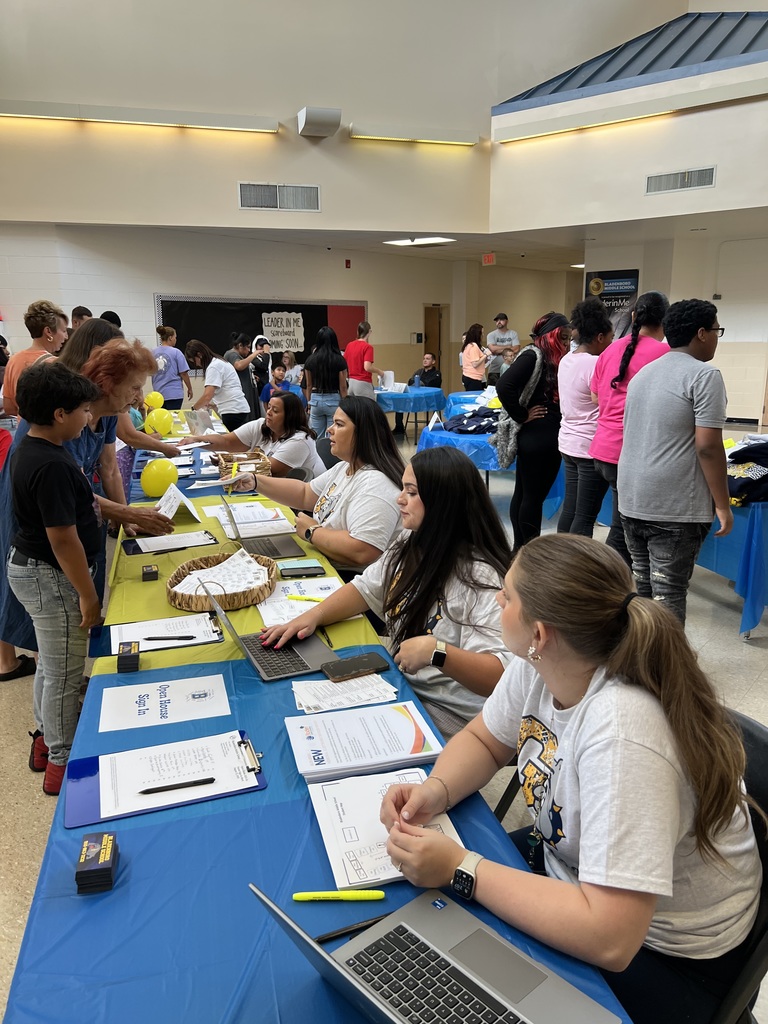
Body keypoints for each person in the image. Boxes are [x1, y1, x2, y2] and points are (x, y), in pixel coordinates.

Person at [381, 534, 762, 1024]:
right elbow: (485, 740)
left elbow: (611, 936)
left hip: (667, 957)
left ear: (539, 633)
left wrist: (463, 868)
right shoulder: (540, 663)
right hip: (576, 873)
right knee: (429, 926)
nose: (499, 598)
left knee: (464, 974)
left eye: (509, 595)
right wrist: (435, 791)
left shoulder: (624, 734)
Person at [260, 447, 512, 737]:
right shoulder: (412, 540)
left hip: (452, 713)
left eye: (412, 493)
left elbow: (502, 674)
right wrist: (313, 616)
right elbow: (367, 588)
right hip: (408, 684)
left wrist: (439, 653)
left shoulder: (482, 577)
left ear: (443, 503)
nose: (399, 499)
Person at [0, 339, 175, 663]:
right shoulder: (59, 428)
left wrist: (127, 520)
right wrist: (126, 513)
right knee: (57, 634)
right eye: (134, 387)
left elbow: (108, 468)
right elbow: (69, 496)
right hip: (48, 531)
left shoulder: (106, 413)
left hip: (74, 522)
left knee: (71, 625)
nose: (139, 396)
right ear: (107, 385)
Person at [7, 361, 104, 795]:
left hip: (30, 568)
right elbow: (63, 539)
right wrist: (87, 595)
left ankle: (46, 741)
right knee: (66, 671)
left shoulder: (32, 446)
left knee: (51, 659)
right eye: (84, 410)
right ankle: (62, 766)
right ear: (61, 414)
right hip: (48, 575)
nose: (89, 418)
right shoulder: (51, 465)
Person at [618, 299, 732, 624]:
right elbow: (708, 447)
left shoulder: (644, 373)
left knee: (643, 594)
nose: (716, 337)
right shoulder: (704, 375)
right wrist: (722, 505)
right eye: (716, 330)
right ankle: (665, 673)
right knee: (668, 596)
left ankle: (640, 666)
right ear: (701, 333)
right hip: (673, 506)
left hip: (631, 498)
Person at [241, 396, 403, 569]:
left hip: (348, 577)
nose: (329, 430)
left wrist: (312, 532)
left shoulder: (375, 484)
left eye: (339, 425)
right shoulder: (345, 467)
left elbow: (363, 550)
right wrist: (255, 481)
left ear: (363, 433)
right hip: (325, 560)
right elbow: (305, 494)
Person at [589, 291, 670, 565]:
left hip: (602, 449)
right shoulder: (664, 354)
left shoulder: (611, 349)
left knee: (622, 525)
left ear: (634, 316)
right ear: (665, 320)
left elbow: (595, 398)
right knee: (624, 531)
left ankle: (611, 581)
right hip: (629, 454)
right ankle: (608, 587)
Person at [497, 311, 569, 552]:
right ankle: (527, 551)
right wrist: (521, 414)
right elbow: (504, 385)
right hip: (539, 435)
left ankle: (520, 549)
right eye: (564, 337)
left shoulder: (547, 356)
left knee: (525, 494)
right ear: (553, 336)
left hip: (538, 435)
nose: (568, 343)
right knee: (532, 497)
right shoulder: (533, 354)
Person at [557, 297, 613, 536]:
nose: (611, 343)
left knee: (570, 508)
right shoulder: (596, 363)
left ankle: (559, 560)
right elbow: (599, 400)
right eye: (610, 338)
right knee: (586, 515)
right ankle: (576, 569)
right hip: (589, 447)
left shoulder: (566, 360)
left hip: (568, 443)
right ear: (599, 337)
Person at [187, 391, 325, 478]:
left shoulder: (300, 440)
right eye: (269, 407)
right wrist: (197, 441)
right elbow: (226, 442)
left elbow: (270, 469)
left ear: (290, 417)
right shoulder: (261, 425)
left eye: (275, 410)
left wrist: (231, 461)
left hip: (304, 500)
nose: (269, 412)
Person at [2, 300, 69, 417]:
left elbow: (9, 408)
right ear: (48, 331)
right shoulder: (55, 365)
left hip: (23, 430)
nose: (66, 336)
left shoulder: (13, 360)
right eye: (63, 331)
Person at [185, 339, 251, 431]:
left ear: (200, 355)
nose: (197, 365)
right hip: (236, 409)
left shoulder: (214, 366)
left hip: (233, 411)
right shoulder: (218, 362)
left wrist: (193, 410)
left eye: (194, 361)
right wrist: (213, 404)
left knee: (229, 442)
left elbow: (207, 396)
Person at [302, 326, 348, 437]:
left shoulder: (310, 360)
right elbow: (343, 387)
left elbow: (308, 385)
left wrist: (309, 405)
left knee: (316, 436)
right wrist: (345, 404)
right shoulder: (339, 360)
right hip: (333, 399)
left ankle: (318, 454)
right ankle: (329, 455)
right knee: (333, 436)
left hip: (315, 400)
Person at [393, 353, 443, 435]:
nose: (425, 360)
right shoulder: (419, 371)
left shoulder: (436, 373)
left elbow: (431, 384)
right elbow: (410, 381)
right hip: (415, 397)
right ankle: (399, 427)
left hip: (428, 399)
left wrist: (419, 382)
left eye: (428, 359)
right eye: (424, 358)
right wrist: (421, 383)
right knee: (399, 401)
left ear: (433, 361)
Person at [151, 326, 193, 410]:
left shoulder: (152, 352)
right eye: (175, 337)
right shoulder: (176, 352)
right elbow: (183, 373)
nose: (175, 339)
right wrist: (190, 388)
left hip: (158, 395)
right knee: (173, 419)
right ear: (170, 338)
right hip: (174, 394)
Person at [344, 321, 386, 399]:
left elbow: (344, 363)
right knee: (368, 409)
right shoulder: (367, 347)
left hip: (350, 382)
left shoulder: (349, 345)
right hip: (362, 383)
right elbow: (367, 367)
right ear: (369, 332)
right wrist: (379, 371)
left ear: (358, 331)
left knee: (354, 409)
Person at [223, 332, 261, 418]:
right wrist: (253, 355)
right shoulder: (231, 354)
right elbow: (239, 366)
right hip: (241, 394)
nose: (248, 350)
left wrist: (250, 376)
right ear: (240, 345)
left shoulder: (239, 356)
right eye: (247, 347)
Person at [485, 313, 520, 386]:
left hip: (509, 369)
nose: (499, 322)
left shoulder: (513, 334)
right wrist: (509, 347)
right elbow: (493, 349)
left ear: (507, 321)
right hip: (494, 370)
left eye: (501, 320)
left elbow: (516, 349)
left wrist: (498, 348)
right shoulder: (491, 335)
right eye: (497, 320)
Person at [460, 323, 488, 390]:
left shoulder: (468, 345)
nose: (483, 335)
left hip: (470, 377)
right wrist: (486, 355)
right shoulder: (473, 346)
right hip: (473, 377)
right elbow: (475, 364)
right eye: (482, 333)